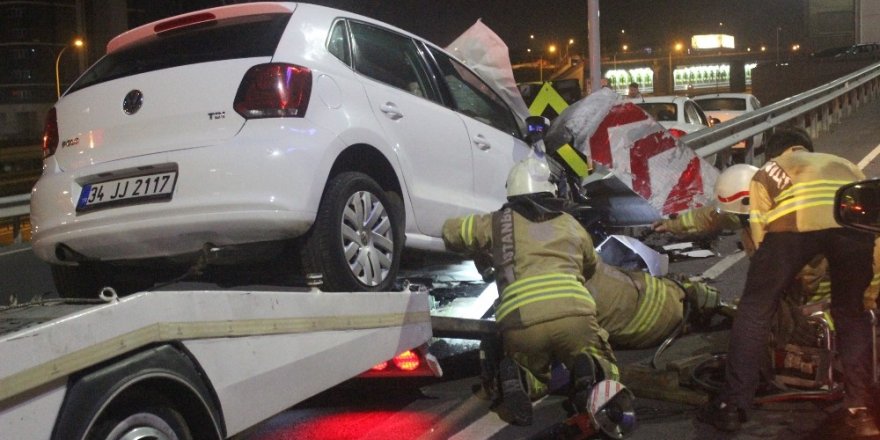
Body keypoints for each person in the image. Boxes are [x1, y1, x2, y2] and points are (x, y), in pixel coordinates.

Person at [697, 127, 880, 437]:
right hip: (851, 227)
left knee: (756, 308)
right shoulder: (844, 164)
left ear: (773, 154)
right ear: (807, 148)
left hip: (793, 226)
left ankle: (733, 406)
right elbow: (870, 218)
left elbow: (759, 228)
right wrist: (870, 287)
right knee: (851, 313)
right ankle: (860, 411)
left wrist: (774, 278)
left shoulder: (769, 170)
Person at [441, 157, 619, 426]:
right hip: (574, 315)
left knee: (535, 376)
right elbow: (590, 266)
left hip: (521, 321)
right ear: (550, 191)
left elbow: (453, 232)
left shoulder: (497, 222)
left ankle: (521, 377)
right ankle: (590, 371)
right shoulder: (571, 223)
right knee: (605, 365)